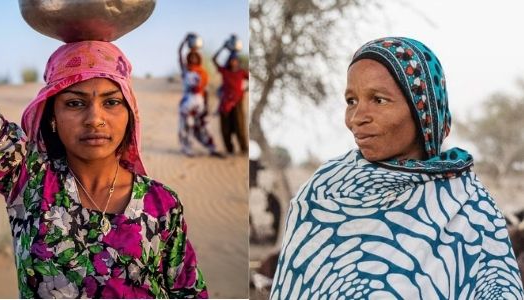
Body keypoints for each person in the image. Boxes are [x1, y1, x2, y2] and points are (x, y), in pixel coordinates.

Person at [0, 1, 207, 298]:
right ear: (52, 116)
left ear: (130, 113)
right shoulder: (28, 180)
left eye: (112, 102)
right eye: (74, 103)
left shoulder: (161, 205)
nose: (95, 119)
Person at [270, 37, 524, 299]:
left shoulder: (470, 208)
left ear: (423, 109)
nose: (357, 118)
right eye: (351, 101)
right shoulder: (321, 194)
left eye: (378, 100)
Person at [178, 34, 221, 157]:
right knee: (187, 126)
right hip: (187, 104)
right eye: (190, 57)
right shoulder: (185, 70)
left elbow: (205, 90)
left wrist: (206, 106)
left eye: (195, 57)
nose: (193, 59)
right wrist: (184, 42)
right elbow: (179, 55)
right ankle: (187, 148)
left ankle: (212, 148)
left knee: (204, 126)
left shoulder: (203, 72)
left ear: (199, 59)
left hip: (200, 103)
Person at [212, 42, 249, 155]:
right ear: (229, 61)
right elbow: (214, 59)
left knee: (240, 127)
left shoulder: (242, 72)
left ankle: (244, 149)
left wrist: (245, 90)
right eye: (231, 60)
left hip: (237, 103)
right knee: (225, 129)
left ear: (238, 62)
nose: (233, 62)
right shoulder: (225, 71)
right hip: (225, 103)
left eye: (235, 60)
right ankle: (229, 149)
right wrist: (223, 47)